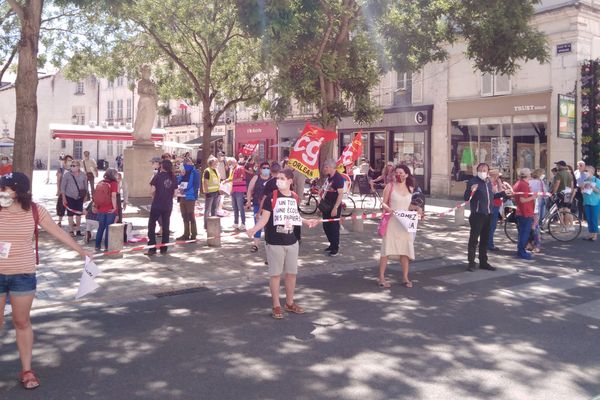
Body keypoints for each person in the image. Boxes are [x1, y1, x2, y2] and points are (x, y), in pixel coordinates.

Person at [0, 172, 90, 390]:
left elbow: (58, 231)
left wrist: (81, 250)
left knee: (22, 322)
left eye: (5, 189)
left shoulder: (34, 210)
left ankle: (27, 370)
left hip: (23, 275)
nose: (1, 192)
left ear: (19, 192)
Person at [246, 168, 318, 319]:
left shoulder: (294, 197)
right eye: (278, 177)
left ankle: (290, 303)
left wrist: (307, 221)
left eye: (282, 178)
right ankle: (276, 305)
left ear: (290, 181)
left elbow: (294, 216)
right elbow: (264, 219)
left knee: (291, 274)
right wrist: (254, 229)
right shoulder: (271, 198)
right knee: (275, 275)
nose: (278, 180)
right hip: (274, 242)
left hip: (291, 241)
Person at [378, 165, 423, 288]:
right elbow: (383, 203)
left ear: (406, 175)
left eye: (401, 173)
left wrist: (417, 208)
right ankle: (381, 277)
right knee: (386, 250)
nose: (398, 175)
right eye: (396, 172)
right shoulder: (390, 186)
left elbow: (408, 206)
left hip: (405, 222)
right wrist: (389, 209)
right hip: (392, 222)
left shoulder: (410, 188)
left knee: (405, 250)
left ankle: (405, 277)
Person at [464, 163, 508, 272]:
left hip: (488, 214)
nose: (483, 171)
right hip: (477, 215)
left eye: (485, 170)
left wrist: (503, 193)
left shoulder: (488, 182)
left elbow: (492, 197)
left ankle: (483, 261)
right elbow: (466, 198)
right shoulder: (473, 182)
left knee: (485, 239)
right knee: (474, 239)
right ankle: (471, 262)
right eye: (480, 169)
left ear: (488, 171)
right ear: (477, 170)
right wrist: (470, 190)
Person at [147, 160, 178, 255]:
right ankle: (164, 248)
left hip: (157, 204)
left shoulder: (157, 176)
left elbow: (152, 190)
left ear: (162, 166)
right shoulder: (173, 177)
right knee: (166, 226)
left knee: (152, 225)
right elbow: (175, 193)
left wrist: (153, 196)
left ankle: (152, 247)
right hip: (168, 205)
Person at [321, 159, 345, 257]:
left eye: (326, 167)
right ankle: (331, 244)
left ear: (331, 167)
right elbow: (326, 188)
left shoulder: (338, 178)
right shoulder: (328, 177)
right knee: (326, 226)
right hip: (326, 205)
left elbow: (340, 194)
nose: (324, 169)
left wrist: (335, 208)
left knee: (334, 227)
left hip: (334, 206)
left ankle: (335, 247)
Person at [246, 162, 271, 252]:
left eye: (268, 168)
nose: (266, 169)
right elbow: (249, 190)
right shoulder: (256, 178)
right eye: (264, 168)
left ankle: (269, 246)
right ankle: (255, 244)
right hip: (257, 204)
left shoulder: (272, 179)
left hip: (270, 206)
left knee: (269, 226)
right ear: (260, 169)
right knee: (258, 224)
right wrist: (249, 201)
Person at [93, 168, 119, 252]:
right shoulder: (114, 183)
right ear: (113, 174)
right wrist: (115, 208)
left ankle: (97, 246)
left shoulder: (101, 182)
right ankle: (107, 247)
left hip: (101, 209)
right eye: (116, 174)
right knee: (108, 228)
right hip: (110, 209)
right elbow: (113, 196)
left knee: (100, 228)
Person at [512, 168, 536, 260]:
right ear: (527, 175)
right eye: (530, 173)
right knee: (524, 233)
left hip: (522, 211)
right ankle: (521, 251)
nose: (531, 174)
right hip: (525, 212)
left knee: (522, 232)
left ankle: (520, 250)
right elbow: (522, 200)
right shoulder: (524, 185)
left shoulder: (519, 183)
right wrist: (533, 197)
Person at [60, 159, 88, 237]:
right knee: (70, 214)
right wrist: (63, 198)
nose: (72, 167)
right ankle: (71, 230)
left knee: (79, 214)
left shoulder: (83, 175)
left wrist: (85, 196)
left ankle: (78, 230)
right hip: (69, 197)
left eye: (74, 165)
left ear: (78, 167)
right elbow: (63, 187)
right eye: (71, 165)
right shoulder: (67, 175)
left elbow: (86, 186)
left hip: (79, 197)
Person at [176, 157, 200, 240]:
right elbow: (178, 182)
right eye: (185, 162)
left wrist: (187, 191)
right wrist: (181, 176)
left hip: (190, 196)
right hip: (182, 196)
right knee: (184, 215)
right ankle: (186, 234)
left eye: (188, 162)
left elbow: (197, 185)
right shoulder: (183, 172)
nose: (187, 163)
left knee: (190, 215)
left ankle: (194, 234)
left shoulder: (195, 172)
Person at [487, 169, 507, 251]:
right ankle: (489, 244)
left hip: (497, 205)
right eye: (498, 176)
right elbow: (496, 194)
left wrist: (500, 184)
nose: (499, 177)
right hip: (493, 205)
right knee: (492, 226)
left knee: (491, 226)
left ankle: (487, 242)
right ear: (494, 176)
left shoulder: (495, 183)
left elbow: (500, 192)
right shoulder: (490, 183)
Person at [551, 160, 575, 226]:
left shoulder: (559, 173)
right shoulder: (569, 174)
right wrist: (571, 193)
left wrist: (553, 192)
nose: (557, 166)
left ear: (561, 166)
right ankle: (567, 226)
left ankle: (563, 226)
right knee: (567, 210)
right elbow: (572, 185)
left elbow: (557, 184)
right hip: (568, 192)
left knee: (561, 210)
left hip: (560, 193)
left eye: (558, 165)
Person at [580, 166, 600, 241]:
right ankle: (590, 233)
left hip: (595, 202)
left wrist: (593, 187)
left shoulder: (597, 180)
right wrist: (582, 190)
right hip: (586, 201)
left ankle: (594, 234)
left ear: (591, 172)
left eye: (586, 171)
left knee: (593, 218)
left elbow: (599, 191)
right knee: (588, 218)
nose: (585, 172)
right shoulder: (584, 180)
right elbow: (582, 190)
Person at [226, 157, 247, 230]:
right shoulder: (233, 169)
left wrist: (230, 180)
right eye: (228, 164)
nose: (229, 165)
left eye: (229, 163)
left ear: (234, 162)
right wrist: (227, 180)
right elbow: (232, 179)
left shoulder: (240, 168)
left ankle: (243, 223)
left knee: (240, 207)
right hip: (233, 190)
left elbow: (240, 179)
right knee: (235, 207)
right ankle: (236, 222)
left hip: (239, 190)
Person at [528, 169, 547, 252]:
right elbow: (544, 192)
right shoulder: (540, 182)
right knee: (536, 224)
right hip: (537, 203)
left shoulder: (529, 181)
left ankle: (529, 243)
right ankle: (537, 244)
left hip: (529, 204)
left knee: (530, 224)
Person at [202, 157, 220, 230]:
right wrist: (207, 192)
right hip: (210, 192)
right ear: (211, 163)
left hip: (216, 192)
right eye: (216, 162)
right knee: (207, 210)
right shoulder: (207, 171)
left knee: (214, 209)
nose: (217, 164)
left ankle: (213, 224)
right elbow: (205, 182)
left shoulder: (216, 170)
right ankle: (206, 225)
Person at [56, 155, 72, 227]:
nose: (70, 162)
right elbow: (58, 180)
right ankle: (59, 221)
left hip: (71, 192)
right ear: (65, 161)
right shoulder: (61, 169)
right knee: (61, 206)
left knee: (71, 206)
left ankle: (72, 220)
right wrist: (58, 190)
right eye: (69, 160)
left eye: (71, 160)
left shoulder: (73, 170)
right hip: (63, 191)